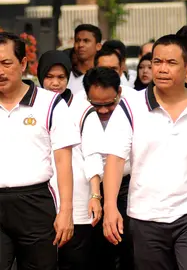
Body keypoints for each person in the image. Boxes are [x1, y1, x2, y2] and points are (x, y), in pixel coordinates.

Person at [102, 34, 187, 270]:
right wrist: (110, 207)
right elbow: (114, 159)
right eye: (157, 62)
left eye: (171, 63)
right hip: (145, 216)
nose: (162, 69)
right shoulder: (130, 107)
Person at [0, 32, 79, 270]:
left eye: (6, 63)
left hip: (35, 203)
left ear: (23, 64)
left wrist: (66, 212)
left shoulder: (50, 103)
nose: (0, 71)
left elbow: (64, 162)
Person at [37, 50, 104, 270]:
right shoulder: (33, 105)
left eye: (61, 77)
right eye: (50, 77)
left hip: (77, 201)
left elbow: (94, 154)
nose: (55, 83)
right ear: (40, 76)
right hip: (39, 202)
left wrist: (95, 194)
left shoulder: (82, 108)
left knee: (75, 262)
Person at [83, 67, 135, 270]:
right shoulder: (80, 108)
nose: (103, 110)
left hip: (129, 187)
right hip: (95, 187)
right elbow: (90, 153)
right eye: (97, 105)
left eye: (109, 104)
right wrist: (96, 195)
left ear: (119, 92)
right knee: (99, 252)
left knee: (129, 247)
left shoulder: (134, 107)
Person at [68, 24, 102, 94]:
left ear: (98, 46)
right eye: (77, 40)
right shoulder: (65, 76)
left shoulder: (104, 76)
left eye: (86, 41)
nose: (80, 45)